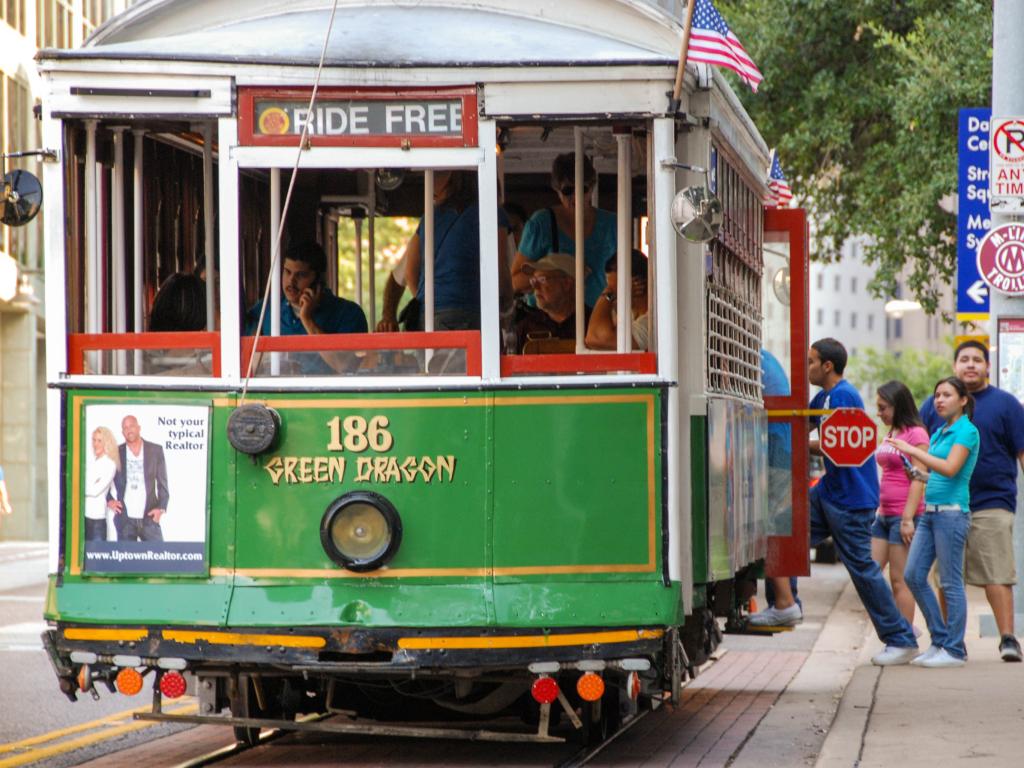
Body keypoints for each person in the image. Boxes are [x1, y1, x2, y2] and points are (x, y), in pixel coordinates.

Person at [749, 339, 919, 665]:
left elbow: (833, 444)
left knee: (864, 572)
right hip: (830, 492)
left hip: (850, 502)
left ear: (827, 366)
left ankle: (901, 639)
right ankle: (784, 605)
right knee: (782, 530)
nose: (807, 367)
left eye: (811, 362)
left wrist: (800, 443)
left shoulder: (843, 395)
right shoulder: (825, 396)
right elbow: (802, 422)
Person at [918, 339, 1024, 662]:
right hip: (947, 507)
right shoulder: (935, 405)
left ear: (988, 366)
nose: (971, 365)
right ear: (954, 366)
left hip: (992, 502)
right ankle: (952, 642)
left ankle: (1008, 639)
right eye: (964, 359)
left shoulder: (1007, 405)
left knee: (997, 573)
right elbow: (922, 453)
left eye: (977, 360)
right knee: (948, 578)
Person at [889, 377, 980, 667]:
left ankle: (954, 650)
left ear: (963, 400)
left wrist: (915, 452)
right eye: (937, 395)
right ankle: (939, 640)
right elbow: (938, 474)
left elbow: (952, 469)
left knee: (951, 583)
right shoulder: (941, 431)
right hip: (931, 512)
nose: (939, 400)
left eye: (947, 395)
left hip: (953, 514)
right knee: (914, 575)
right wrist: (921, 476)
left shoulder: (967, 431)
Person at [392, 170, 512, 332]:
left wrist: (430, 302)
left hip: (425, 316)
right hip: (468, 309)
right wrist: (507, 303)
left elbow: (410, 272)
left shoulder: (429, 218)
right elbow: (498, 265)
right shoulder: (490, 212)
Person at [512, 153, 616, 309]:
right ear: (557, 190)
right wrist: (553, 273)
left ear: (592, 186)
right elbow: (515, 282)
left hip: (597, 318)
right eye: (568, 191)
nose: (576, 197)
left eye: (582, 189)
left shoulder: (612, 225)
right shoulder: (541, 225)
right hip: (548, 321)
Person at [246, 240, 367, 374]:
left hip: (326, 393)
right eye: (287, 272)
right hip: (276, 392)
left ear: (318, 281)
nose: (291, 281)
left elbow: (344, 366)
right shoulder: (268, 307)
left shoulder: (348, 313)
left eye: (301, 275)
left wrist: (307, 320)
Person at [871, 380, 929, 624]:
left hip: (903, 516)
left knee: (899, 580)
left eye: (883, 407)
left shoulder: (916, 434)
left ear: (898, 405)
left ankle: (904, 635)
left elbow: (919, 477)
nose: (879, 413)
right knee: (869, 572)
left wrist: (907, 519)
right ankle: (896, 628)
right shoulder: (891, 433)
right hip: (883, 515)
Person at [108, 415, 169, 542]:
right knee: (125, 561)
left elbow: (163, 484)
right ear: (122, 432)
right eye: (125, 428)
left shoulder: (155, 450)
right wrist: (109, 500)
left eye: (131, 426)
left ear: (138, 428)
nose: (129, 430)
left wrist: (161, 508)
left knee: (159, 558)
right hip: (125, 521)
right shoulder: (116, 452)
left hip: (149, 518)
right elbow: (102, 480)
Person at [512, 253, 589, 353]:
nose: (535, 286)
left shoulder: (592, 325)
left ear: (567, 284)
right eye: (533, 280)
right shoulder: (525, 327)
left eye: (542, 279)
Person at [585, 250, 650, 351]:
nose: (613, 295)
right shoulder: (623, 315)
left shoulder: (650, 322)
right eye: (610, 289)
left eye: (615, 290)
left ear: (638, 284)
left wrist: (608, 295)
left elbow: (596, 338)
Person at [85, 427, 120, 541]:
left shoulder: (110, 464)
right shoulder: (91, 461)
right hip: (83, 517)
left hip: (96, 521)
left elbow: (95, 491)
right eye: (94, 440)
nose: (95, 444)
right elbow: (89, 487)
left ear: (106, 442)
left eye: (99, 441)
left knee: (96, 557)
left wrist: (80, 487)